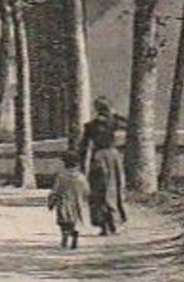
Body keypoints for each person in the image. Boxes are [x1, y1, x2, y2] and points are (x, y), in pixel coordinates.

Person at [78, 97, 127, 236]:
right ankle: (114, 223)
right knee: (113, 189)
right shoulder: (113, 122)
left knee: (98, 190)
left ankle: (103, 224)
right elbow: (130, 124)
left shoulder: (90, 125)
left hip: (98, 157)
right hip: (112, 157)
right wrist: (115, 114)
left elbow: (83, 147)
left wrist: (81, 166)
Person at [48, 152, 91, 249]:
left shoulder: (61, 176)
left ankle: (65, 237)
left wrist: (52, 201)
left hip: (64, 201)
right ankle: (75, 235)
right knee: (76, 219)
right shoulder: (81, 178)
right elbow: (86, 191)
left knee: (64, 220)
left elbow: (56, 189)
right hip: (77, 202)